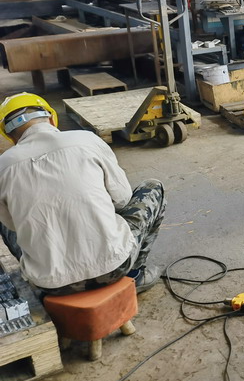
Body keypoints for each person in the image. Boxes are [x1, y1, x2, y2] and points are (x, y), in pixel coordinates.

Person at [0, 92, 166, 296]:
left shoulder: (3, 166)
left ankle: (43, 274)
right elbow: (122, 199)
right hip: (113, 268)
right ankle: (135, 274)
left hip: (51, 285)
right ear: (51, 118)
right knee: (152, 187)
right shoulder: (86, 140)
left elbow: (12, 226)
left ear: (10, 136)